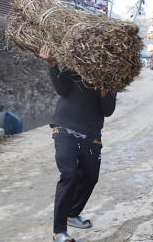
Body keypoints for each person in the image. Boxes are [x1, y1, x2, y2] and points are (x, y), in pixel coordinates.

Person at [40, 45, 117, 242]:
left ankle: (72, 213)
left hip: (91, 134)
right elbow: (61, 89)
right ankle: (59, 231)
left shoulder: (111, 78)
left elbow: (108, 110)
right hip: (65, 128)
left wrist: (104, 89)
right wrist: (51, 63)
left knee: (90, 177)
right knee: (70, 175)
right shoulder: (75, 67)